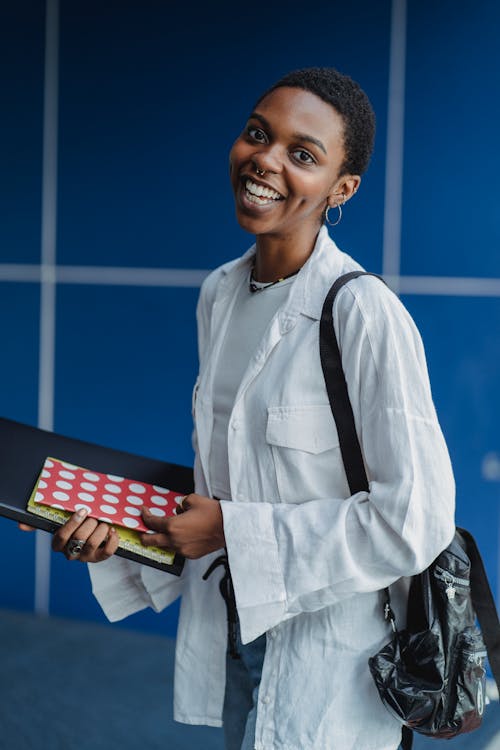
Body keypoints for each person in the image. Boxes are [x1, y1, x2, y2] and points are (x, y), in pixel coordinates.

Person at [31, 68, 456, 749]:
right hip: (237, 633)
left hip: (331, 660)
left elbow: (415, 524)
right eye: (259, 135)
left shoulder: (364, 314)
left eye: (304, 154)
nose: (266, 160)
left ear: (341, 190)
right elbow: (223, 494)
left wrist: (231, 530)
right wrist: (118, 534)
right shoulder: (220, 295)